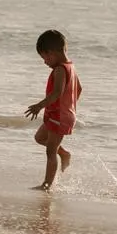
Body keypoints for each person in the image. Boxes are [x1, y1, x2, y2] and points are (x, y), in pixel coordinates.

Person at [25, 29, 82, 191]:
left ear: (54, 52)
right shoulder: (71, 67)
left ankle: (47, 184)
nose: (45, 62)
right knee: (39, 137)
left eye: (45, 57)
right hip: (59, 114)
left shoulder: (60, 70)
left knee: (50, 151)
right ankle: (63, 154)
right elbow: (79, 89)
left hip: (59, 115)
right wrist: (70, 105)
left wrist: (39, 106)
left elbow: (57, 92)